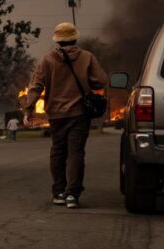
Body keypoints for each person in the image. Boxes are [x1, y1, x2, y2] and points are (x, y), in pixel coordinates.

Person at [22, 22, 107, 209]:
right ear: (75, 38)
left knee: (58, 152)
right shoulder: (87, 57)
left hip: (56, 115)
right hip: (79, 114)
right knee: (76, 153)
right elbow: (101, 81)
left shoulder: (47, 60)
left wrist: (28, 110)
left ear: (57, 40)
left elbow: (35, 87)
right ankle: (72, 195)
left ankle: (59, 192)